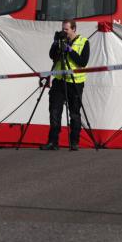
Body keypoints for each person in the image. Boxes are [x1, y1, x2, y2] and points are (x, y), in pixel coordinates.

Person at [41, 19, 90, 151]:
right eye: (63, 29)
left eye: (66, 29)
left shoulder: (84, 42)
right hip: (59, 80)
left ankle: (74, 142)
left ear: (74, 29)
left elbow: (82, 62)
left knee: (74, 113)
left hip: (75, 82)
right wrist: (56, 43)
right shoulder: (61, 40)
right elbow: (52, 56)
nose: (64, 32)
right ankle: (53, 142)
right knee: (54, 111)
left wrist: (69, 50)